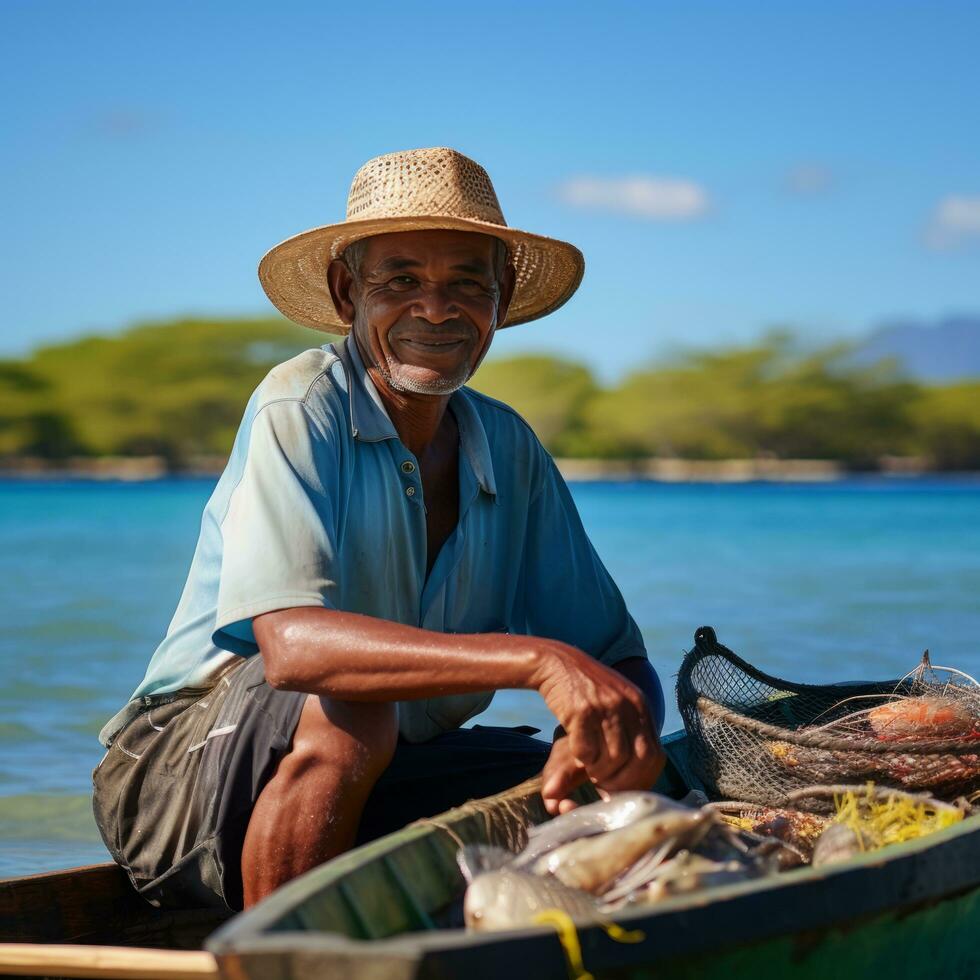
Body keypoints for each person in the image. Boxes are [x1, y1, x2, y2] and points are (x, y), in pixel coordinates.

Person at [93, 147, 666, 912]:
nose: (436, 309)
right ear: (345, 293)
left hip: (388, 767)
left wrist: (598, 739)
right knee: (353, 708)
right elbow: (294, 650)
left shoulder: (507, 444)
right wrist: (537, 659)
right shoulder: (300, 405)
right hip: (176, 784)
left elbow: (616, 656)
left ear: (501, 299)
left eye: (468, 283)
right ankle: (291, 964)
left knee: (596, 772)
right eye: (401, 281)